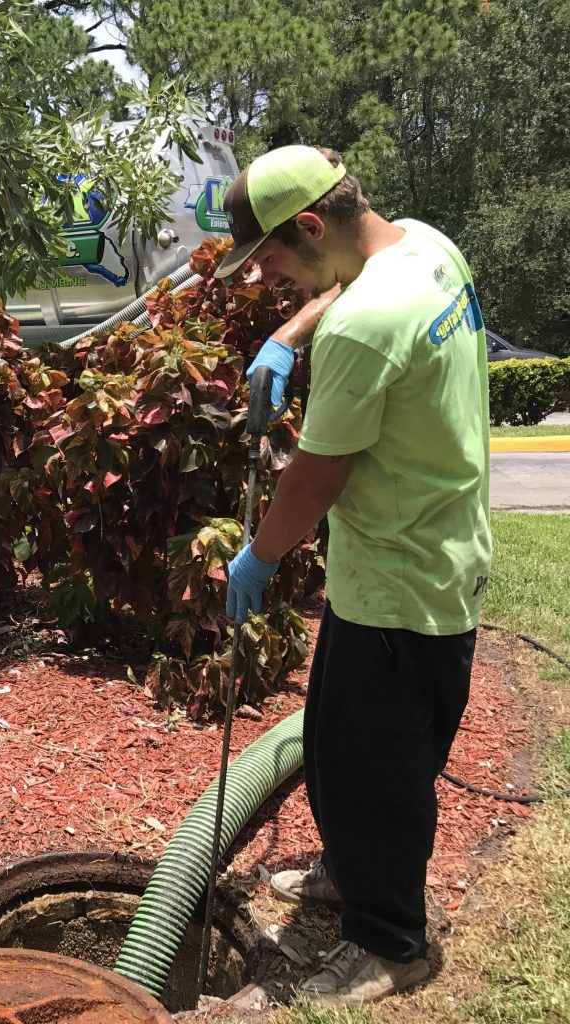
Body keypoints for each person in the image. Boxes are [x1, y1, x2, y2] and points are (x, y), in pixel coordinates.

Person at [217, 145, 492, 1003]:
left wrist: (258, 557)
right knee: (339, 745)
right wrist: (287, 333)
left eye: (269, 256)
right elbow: (349, 286)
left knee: (381, 772)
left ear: (309, 224)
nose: (265, 275)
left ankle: (390, 942)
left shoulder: (365, 328)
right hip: (404, 561)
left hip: (403, 582)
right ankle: (353, 872)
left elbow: (316, 475)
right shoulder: (422, 246)